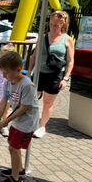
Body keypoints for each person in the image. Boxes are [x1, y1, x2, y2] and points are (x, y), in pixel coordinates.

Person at [0, 51, 39, 182]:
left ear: (18, 69)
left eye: (6, 73)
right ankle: (18, 169)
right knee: (12, 144)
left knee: (14, 147)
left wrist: (6, 121)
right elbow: (3, 102)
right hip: (18, 120)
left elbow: (24, 108)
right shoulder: (8, 82)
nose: (4, 76)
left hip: (27, 122)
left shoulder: (27, 85)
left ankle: (16, 179)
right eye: (3, 73)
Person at [28, 10, 75, 138]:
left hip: (54, 75)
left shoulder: (68, 40)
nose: (53, 27)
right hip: (39, 73)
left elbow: (70, 61)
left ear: (62, 25)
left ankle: (42, 126)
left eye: (56, 25)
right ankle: (31, 123)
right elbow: (34, 56)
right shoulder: (42, 37)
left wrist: (65, 78)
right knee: (32, 99)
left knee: (48, 102)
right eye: (51, 24)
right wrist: (29, 72)